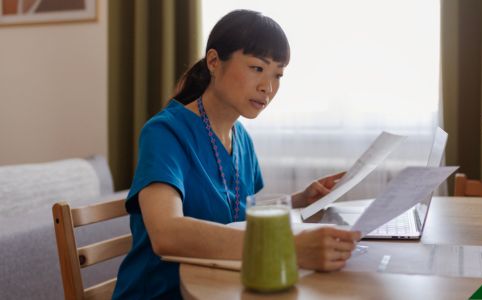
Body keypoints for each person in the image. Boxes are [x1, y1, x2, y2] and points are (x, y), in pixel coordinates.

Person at [112, 9, 360, 299]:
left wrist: (300, 201)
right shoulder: (164, 133)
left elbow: (239, 215)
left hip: (222, 289)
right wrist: (291, 246)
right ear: (214, 61)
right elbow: (166, 234)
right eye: (257, 68)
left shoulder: (241, 138)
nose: (268, 87)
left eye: (277, 74)